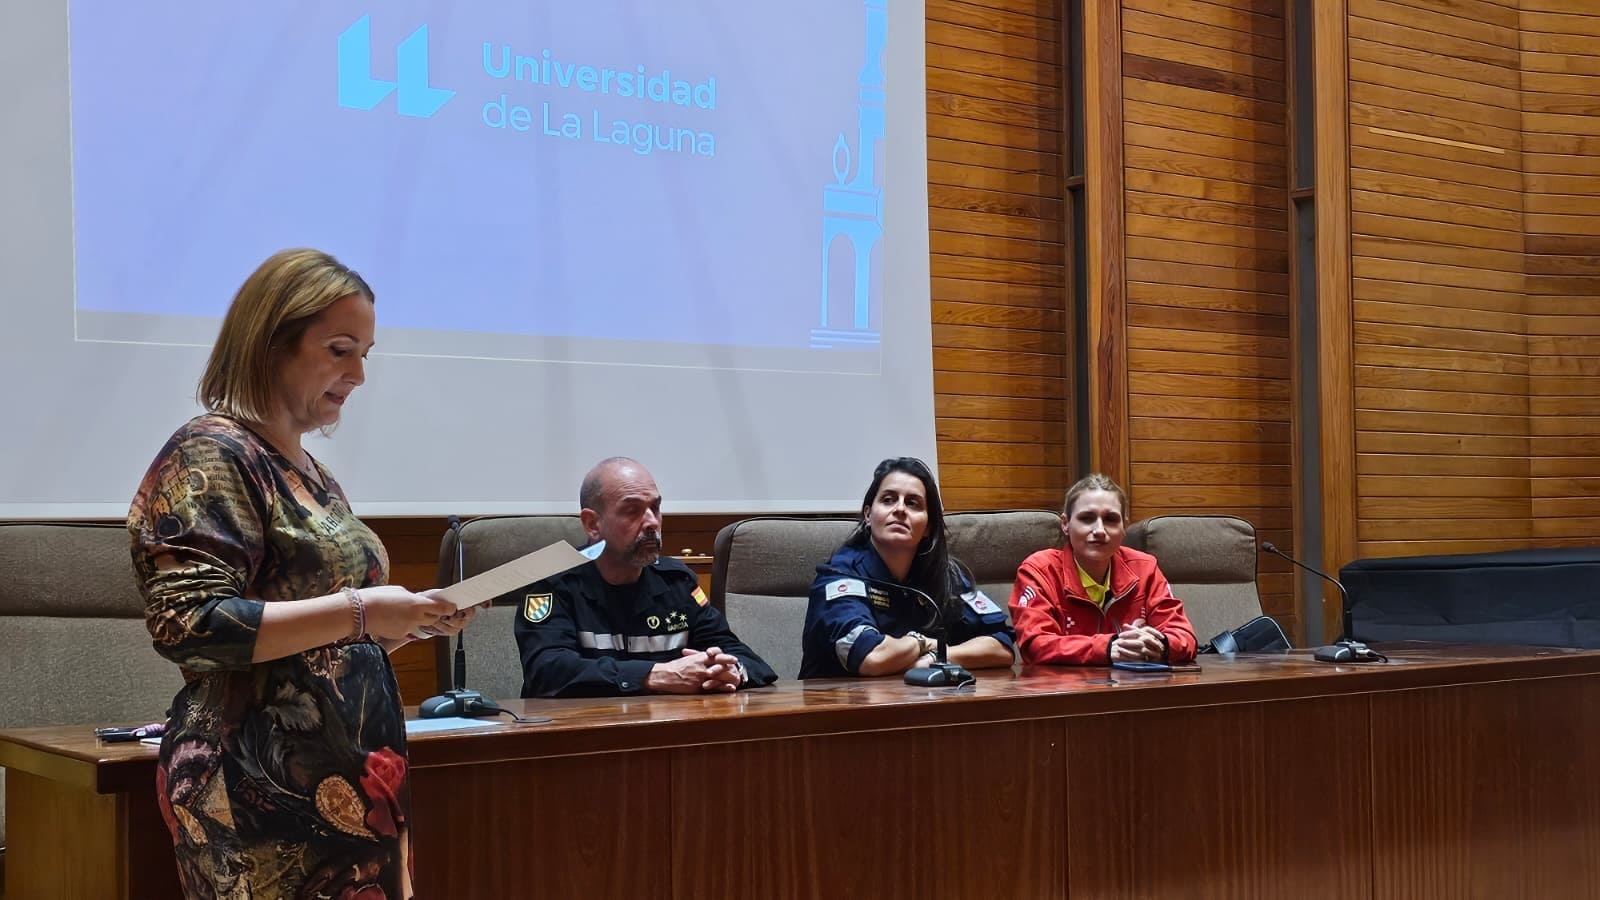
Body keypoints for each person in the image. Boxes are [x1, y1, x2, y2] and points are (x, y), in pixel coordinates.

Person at [127, 249, 475, 899]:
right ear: (269, 343)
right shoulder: (211, 452)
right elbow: (189, 624)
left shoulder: (313, 475)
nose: (359, 374)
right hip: (255, 794)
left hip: (351, 795)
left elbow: (316, 637)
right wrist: (363, 612)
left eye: (366, 352)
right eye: (341, 349)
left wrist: (402, 624)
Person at [514, 457, 778, 698]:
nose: (652, 522)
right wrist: (654, 675)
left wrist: (732, 671)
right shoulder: (552, 582)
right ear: (592, 524)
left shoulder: (677, 582)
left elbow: (746, 658)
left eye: (655, 508)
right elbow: (546, 672)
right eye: (632, 511)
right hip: (581, 738)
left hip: (666, 733)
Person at [800, 457, 1015, 678]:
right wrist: (921, 642)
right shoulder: (840, 575)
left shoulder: (947, 575)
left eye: (913, 503)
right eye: (888, 500)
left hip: (923, 704)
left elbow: (1002, 646)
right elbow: (871, 658)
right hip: (839, 707)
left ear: (928, 528)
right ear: (868, 515)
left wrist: (939, 656)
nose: (900, 509)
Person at [1009, 473, 1197, 665]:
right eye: (1087, 518)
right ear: (1065, 525)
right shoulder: (1039, 570)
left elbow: (1184, 636)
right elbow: (1034, 645)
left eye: (1110, 519)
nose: (1099, 530)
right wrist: (1107, 647)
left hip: (1135, 690)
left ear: (1124, 526)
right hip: (1063, 691)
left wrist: (1161, 645)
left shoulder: (1145, 568)